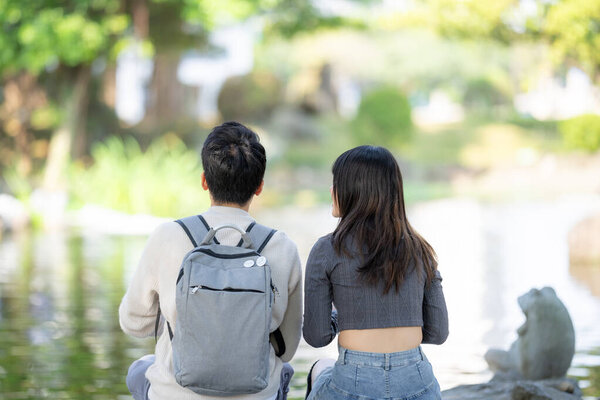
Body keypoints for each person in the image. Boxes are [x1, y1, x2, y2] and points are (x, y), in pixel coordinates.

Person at [119, 122, 303, 400]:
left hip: (175, 394)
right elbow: (287, 349)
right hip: (257, 394)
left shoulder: (167, 236)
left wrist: (187, 319)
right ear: (259, 187)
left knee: (139, 370)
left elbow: (133, 323)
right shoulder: (282, 247)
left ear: (205, 181)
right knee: (284, 370)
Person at [303, 145, 449, 400]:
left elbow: (317, 337)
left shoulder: (327, 249)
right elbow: (438, 332)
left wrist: (339, 318)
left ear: (352, 191)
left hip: (353, 384)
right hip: (418, 384)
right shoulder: (421, 249)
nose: (331, 191)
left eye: (337, 183)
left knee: (319, 367)